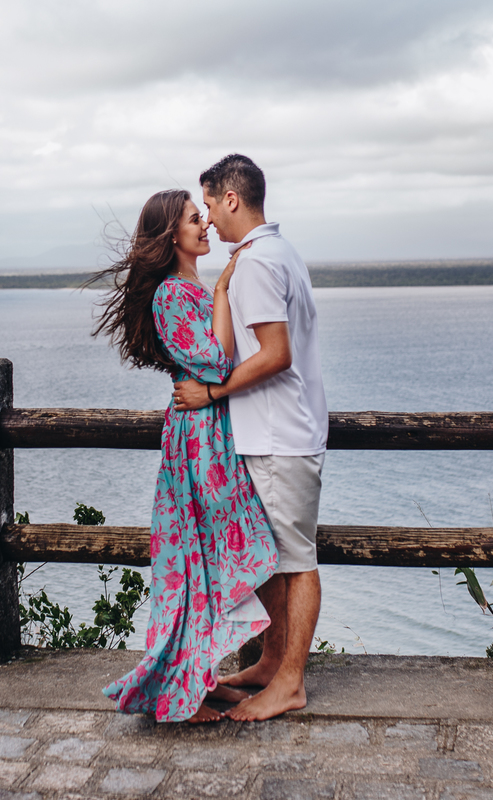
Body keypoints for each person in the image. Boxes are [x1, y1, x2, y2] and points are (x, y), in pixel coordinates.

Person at [93, 188, 277, 724]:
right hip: (198, 439)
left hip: (213, 429)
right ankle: (183, 692)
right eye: (196, 219)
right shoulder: (174, 295)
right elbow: (216, 363)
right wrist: (222, 291)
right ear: (172, 234)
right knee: (197, 563)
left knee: (210, 561)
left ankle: (195, 677)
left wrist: (218, 291)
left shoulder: (189, 287)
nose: (206, 225)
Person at [173, 154, 329, 721]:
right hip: (274, 434)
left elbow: (276, 354)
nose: (208, 217)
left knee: (295, 561)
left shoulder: (260, 262)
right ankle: (269, 663)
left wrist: (211, 395)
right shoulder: (272, 252)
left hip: (280, 437)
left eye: (210, 203)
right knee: (270, 559)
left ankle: (289, 682)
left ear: (232, 199)